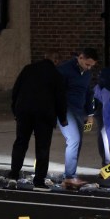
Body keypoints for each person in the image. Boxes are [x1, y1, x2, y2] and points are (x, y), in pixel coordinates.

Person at [9, 50, 68, 191]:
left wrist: (15, 110)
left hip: (24, 112)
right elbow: (61, 99)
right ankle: (39, 181)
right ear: (57, 61)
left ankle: (13, 175)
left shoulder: (28, 69)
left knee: (21, 143)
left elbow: (15, 90)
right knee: (42, 147)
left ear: (44, 57)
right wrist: (63, 118)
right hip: (44, 115)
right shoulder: (57, 75)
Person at [57, 48, 98, 189]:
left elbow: (88, 93)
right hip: (66, 109)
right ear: (80, 58)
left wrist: (90, 114)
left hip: (79, 111)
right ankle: (69, 177)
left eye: (91, 65)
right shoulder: (64, 70)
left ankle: (70, 176)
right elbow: (56, 92)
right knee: (73, 139)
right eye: (87, 64)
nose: (89, 68)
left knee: (77, 142)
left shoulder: (87, 74)